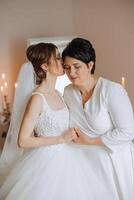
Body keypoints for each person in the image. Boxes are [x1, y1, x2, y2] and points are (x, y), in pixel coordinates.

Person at [0, 42, 79, 199]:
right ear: (45, 66)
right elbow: (22, 141)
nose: (61, 60)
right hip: (45, 164)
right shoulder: (37, 99)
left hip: (69, 158)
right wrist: (60, 138)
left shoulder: (59, 93)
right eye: (56, 57)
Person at [62, 37, 134, 200]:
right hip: (83, 163)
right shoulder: (68, 92)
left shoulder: (112, 90)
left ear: (90, 65)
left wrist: (92, 141)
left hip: (113, 162)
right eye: (67, 68)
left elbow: (129, 132)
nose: (71, 73)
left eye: (76, 67)